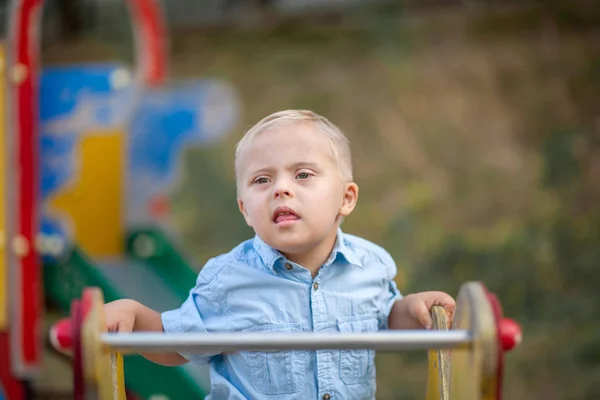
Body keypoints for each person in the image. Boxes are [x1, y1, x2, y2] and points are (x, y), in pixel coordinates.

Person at [104, 110, 456, 399]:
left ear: (346, 198)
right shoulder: (228, 280)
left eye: (303, 174)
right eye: (261, 180)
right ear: (244, 209)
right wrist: (134, 316)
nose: (281, 189)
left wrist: (413, 309)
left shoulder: (370, 266)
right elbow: (177, 345)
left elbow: (387, 318)